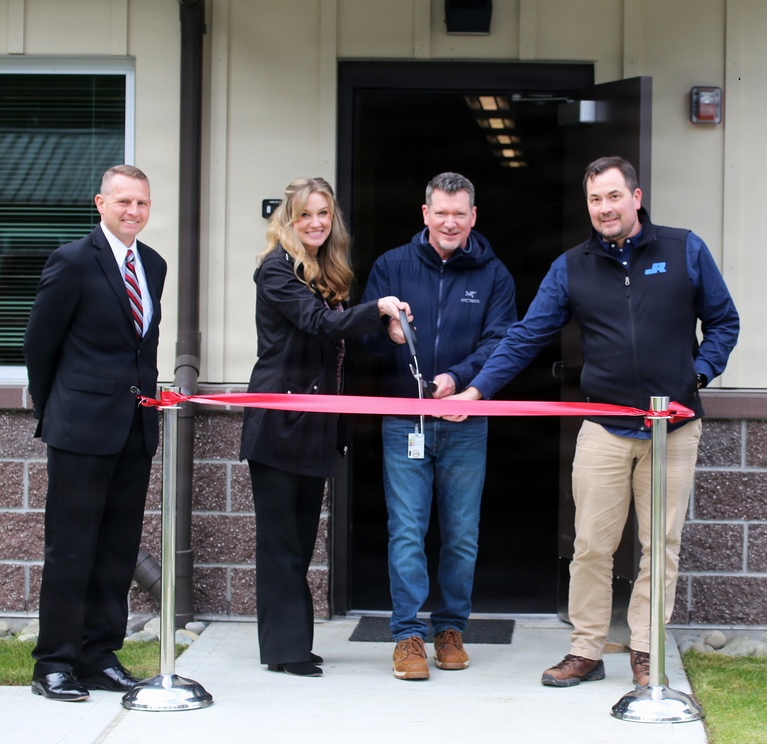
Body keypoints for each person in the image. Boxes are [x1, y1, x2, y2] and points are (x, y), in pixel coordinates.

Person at [447, 156, 739, 688]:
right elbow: (526, 335)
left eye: (612, 196)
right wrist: (476, 389)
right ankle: (585, 649)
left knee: (661, 543)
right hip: (604, 427)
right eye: (594, 199)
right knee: (590, 544)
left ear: (636, 196)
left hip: (672, 428)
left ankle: (647, 650)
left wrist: (696, 375)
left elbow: (723, 321)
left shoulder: (684, 249)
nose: (604, 208)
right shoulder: (571, 266)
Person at [239, 177, 411, 678]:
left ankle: (292, 642)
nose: (316, 223)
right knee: (281, 544)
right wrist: (378, 310)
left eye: (323, 214)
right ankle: (284, 650)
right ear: (288, 221)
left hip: (314, 427)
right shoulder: (275, 270)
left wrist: (383, 324)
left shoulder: (322, 270)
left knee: (301, 540)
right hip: (278, 426)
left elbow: (333, 335)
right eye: (304, 215)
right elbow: (318, 323)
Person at [361, 172, 517, 681]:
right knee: (406, 530)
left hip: (466, 420)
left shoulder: (495, 275)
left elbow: (502, 341)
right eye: (441, 212)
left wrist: (458, 378)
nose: (450, 222)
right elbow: (361, 338)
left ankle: (451, 629)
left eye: (460, 213)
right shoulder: (391, 266)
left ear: (474, 216)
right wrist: (385, 331)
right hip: (405, 418)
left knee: (462, 535)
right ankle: (407, 635)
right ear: (424, 214)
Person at [23, 164, 166, 702]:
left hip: (134, 428)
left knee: (115, 550)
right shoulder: (73, 260)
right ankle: (54, 663)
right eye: (124, 202)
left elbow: (142, 348)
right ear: (100, 203)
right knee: (71, 550)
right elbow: (40, 344)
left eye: (143, 204)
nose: (134, 212)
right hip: (80, 429)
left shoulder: (153, 264)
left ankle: (99, 657)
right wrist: (57, 407)